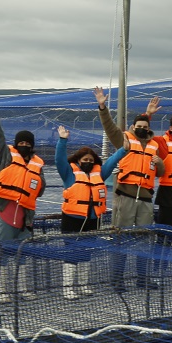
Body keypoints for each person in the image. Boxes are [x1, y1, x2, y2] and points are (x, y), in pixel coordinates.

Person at [93, 86, 165, 289]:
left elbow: (160, 172)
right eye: (138, 125)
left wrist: (159, 163)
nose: (141, 128)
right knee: (120, 238)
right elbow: (109, 127)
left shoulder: (153, 145)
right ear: (133, 127)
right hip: (124, 196)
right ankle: (117, 280)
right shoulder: (124, 140)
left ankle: (142, 279)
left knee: (144, 241)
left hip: (145, 199)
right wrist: (102, 106)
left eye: (144, 125)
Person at [0, 87, 46, 302]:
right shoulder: (7, 157)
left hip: (27, 213)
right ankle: (2, 290)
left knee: (22, 252)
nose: (24, 145)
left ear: (32, 146)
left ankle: (22, 289)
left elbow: (40, 187)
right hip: (7, 209)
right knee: (4, 251)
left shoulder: (38, 164)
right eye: (21, 142)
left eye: (28, 143)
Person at [55, 125, 105, 298]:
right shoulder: (69, 174)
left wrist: (123, 149)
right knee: (71, 253)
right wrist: (62, 140)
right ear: (78, 160)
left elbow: (113, 161)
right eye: (85, 159)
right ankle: (67, 288)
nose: (88, 162)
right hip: (72, 219)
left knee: (87, 253)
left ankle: (83, 285)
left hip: (92, 220)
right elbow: (59, 160)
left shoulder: (99, 174)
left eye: (91, 160)